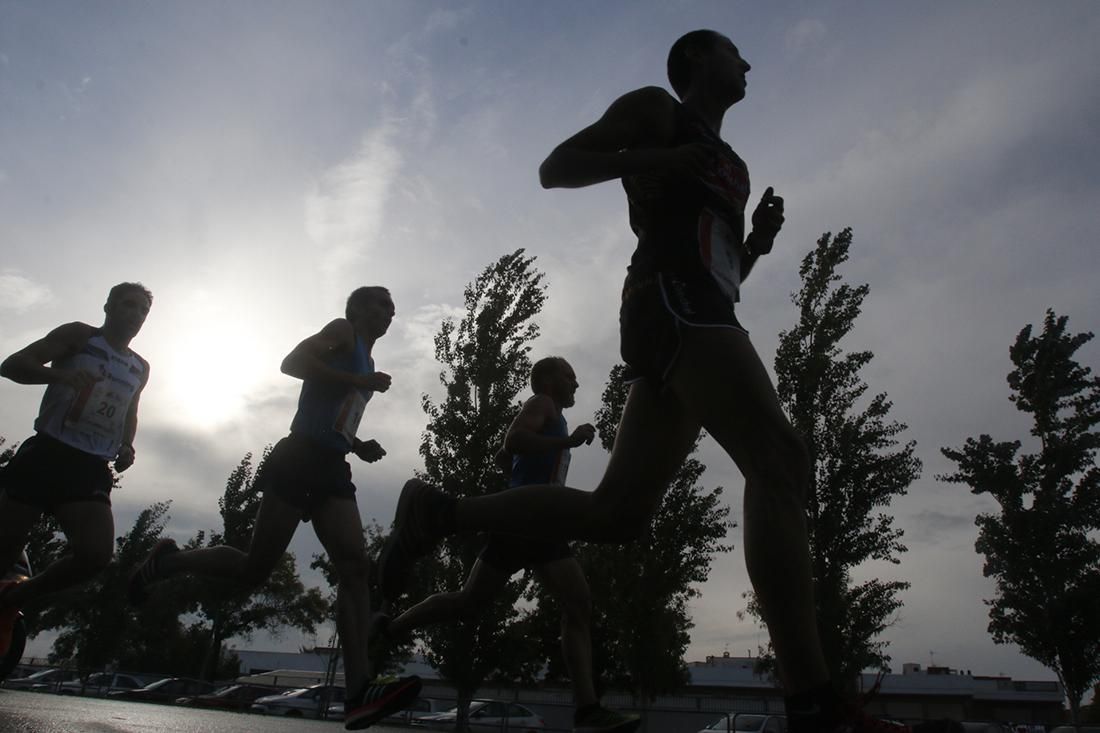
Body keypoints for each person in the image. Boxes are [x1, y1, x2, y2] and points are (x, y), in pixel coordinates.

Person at [379, 30, 906, 733]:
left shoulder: (732, 166)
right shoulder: (661, 111)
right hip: (669, 302)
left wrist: (755, 244)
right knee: (778, 458)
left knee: (617, 513)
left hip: (703, 306)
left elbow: (723, 267)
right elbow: (556, 167)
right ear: (696, 59)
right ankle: (814, 702)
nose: (747, 63)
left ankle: (440, 512)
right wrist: (658, 156)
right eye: (732, 50)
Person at [128, 286, 420, 731]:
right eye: (381, 303)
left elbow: (330, 413)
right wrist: (357, 381)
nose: (390, 311)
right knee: (253, 568)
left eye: (393, 307)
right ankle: (168, 561)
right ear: (357, 309)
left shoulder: (370, 362)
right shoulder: (342, 332)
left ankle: (358, 690)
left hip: (332, 465)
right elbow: (293, 364)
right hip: (298, 458)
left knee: (356, 567)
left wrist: (358, 445)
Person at [378, 357, 638, 733]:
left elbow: (510, 451)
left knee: (472, 601)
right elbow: (514, 439)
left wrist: (518, 460)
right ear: (548, 380)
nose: (576, 384)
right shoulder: (543, 405)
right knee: (575, 605)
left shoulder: (549, 414)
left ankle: (391, 629)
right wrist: (567, 440)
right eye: (570, 376)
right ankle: (587, 709)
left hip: (532, 521)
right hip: (529, 520)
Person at [0, 282, 153, 657]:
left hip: (89, 468)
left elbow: (130, 413)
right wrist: (61, 376)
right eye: (128, 306)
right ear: (108, 306)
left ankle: (11, 599)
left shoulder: (140, 367)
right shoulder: (80, 337)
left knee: (96, 555)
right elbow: (12, 365)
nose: (134, 316)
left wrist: (127, 444)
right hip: (47, 455)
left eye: (142, 311)